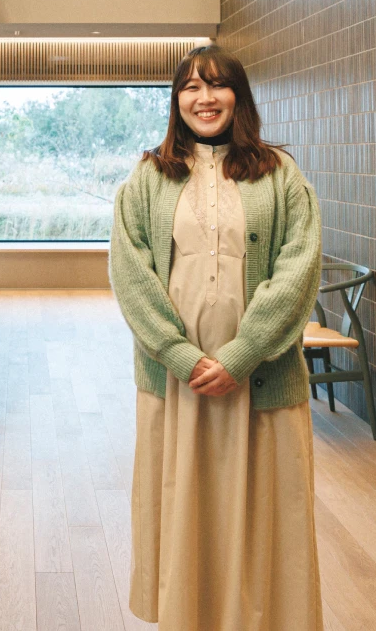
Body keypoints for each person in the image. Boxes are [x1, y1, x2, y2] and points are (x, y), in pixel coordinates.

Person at [110, 46, 325, 630]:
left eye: (218, 85)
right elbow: (131, 273)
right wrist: (180, 355)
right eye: (191, 87)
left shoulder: (281, 174)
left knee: (267, 512)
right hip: (177, 382)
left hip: (261, 379)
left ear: (239, 96)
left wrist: (243, 354)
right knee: (184, 504)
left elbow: (299, 268)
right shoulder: (150, 176)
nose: (205, 98)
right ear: (176, 101)